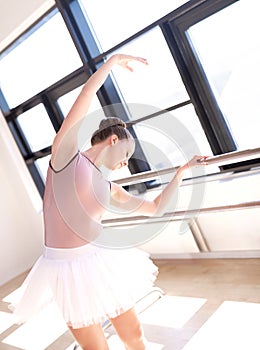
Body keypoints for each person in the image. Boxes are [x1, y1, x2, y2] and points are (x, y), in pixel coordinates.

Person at [10, 54, 208, 350]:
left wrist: (181, 172)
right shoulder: (65, 159)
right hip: (63, 268)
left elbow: (154, 208)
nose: (125, 165)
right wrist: (111, 63)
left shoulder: (107, 186)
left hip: (100, 260)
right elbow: (87, 94)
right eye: (127, 157)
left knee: (134, 336)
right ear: (114, 141)